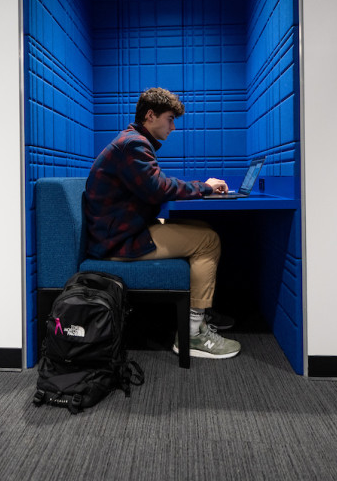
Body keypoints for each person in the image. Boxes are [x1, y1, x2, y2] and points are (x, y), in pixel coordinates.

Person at [84, 87, 241, 359]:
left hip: (119, 233)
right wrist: (204, 186)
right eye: (170, 119)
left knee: (202, 228)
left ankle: (199, 312)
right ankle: (192, 333)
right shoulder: (133, 145)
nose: (173, 126)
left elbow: (154, 186)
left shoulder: (132, 141)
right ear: (150, 115)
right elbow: (158, 188)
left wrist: (198, 188)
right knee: (209, 240)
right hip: (119, 243)